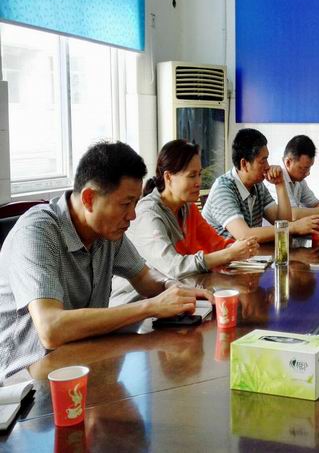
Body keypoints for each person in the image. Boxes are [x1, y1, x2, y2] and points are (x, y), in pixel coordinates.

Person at [0, 141, 212, 381]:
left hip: (80, 359)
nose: (132, 215)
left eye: (135, 203)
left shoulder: (106, 231)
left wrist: (173, 288)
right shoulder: (37, 233)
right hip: (25, 380)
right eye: (125, 204)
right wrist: (150, 307)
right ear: (89, 198)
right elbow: (51, 329)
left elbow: (144, 277)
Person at [111, 140, 259, 305]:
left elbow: (216, 245)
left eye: (199, 174)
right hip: (135, 304)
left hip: (175, 299)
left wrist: (241, 249)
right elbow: (173, 267)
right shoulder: (148, 214)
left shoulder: (187, 208)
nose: (199, 182)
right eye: (192, 175)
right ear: (168, 177)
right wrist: (230, 254)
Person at [202, 129, 319, 242]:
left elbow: (283, 222)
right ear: (244, 164)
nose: (267, 166)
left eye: (267, 159)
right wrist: (293, 227)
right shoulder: (223, 189)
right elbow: (244, 235)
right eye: (262, 161)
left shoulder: (257, 186)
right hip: (220, 257)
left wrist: (280, 184)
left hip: (249, 255)